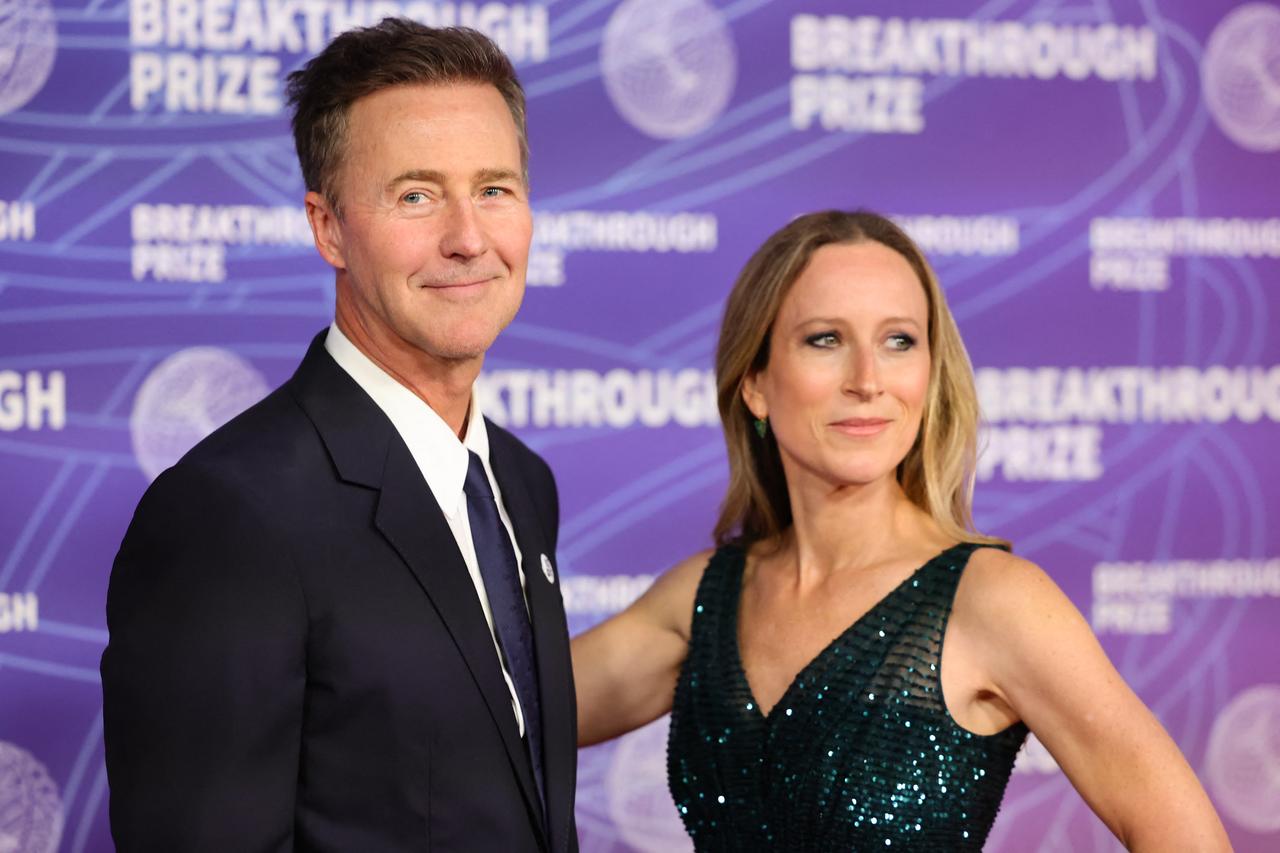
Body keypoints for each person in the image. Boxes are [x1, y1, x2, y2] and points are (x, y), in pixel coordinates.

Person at [571, 211, 1229, 850]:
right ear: (757, 384)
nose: (867, 380)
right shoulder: (704, 598)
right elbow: (505, 710)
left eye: (899, 340)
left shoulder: (994, 599)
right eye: (825, 338)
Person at [101, 20, 577, 852]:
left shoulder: (522, 482)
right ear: (328, 229)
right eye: (417, 195)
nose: (469, 237)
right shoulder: (228, 515)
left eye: (495, 188)